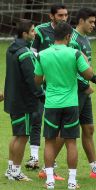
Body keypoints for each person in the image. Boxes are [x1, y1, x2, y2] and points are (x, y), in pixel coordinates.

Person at [34, 22, 96, 189]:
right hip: (71, 103)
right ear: (68, 36)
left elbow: (37, 80)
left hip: (52, 103)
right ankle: (72, 181)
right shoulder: (74, 53)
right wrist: (84, 59)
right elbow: (88, 74)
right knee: (71, 142)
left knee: (49, 141)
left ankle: (49, 180)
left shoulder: (42, 55)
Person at [69, 7, 96, 179]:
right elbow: (71, 68)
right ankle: (48, 168)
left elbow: (85, 66)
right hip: (76, 90)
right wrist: (84, 85)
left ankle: (95, 169)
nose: (94, 25)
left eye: (95, 22)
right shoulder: (72, 39)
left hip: (85, 89)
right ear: (81, 21)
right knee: (67, 130)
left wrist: (94, 79)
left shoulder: (85, 38)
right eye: (91, 22)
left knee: (89, 128)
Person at [28, 3, 68, 181]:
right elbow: (32, 51)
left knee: (57, 125)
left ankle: (49, 163)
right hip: (41, 79)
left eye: (65, 15)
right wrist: (44, 64)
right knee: (37, 117)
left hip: (59, 83)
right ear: (51, 16)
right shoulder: (41, 30)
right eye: (60, 15)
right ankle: (34, 156)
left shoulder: (68, 31)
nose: (64, 18)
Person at [4, 19, 44, 181]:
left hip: (13, 100)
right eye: (33, 31)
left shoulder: (11, 50)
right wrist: (42, 95)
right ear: (24, 33)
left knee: (17, 135)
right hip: (24, 102)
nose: (35, 34)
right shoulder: (25, 53)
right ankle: (16, 172)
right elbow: (32, 79)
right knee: (22, 136)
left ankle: (10, 169)